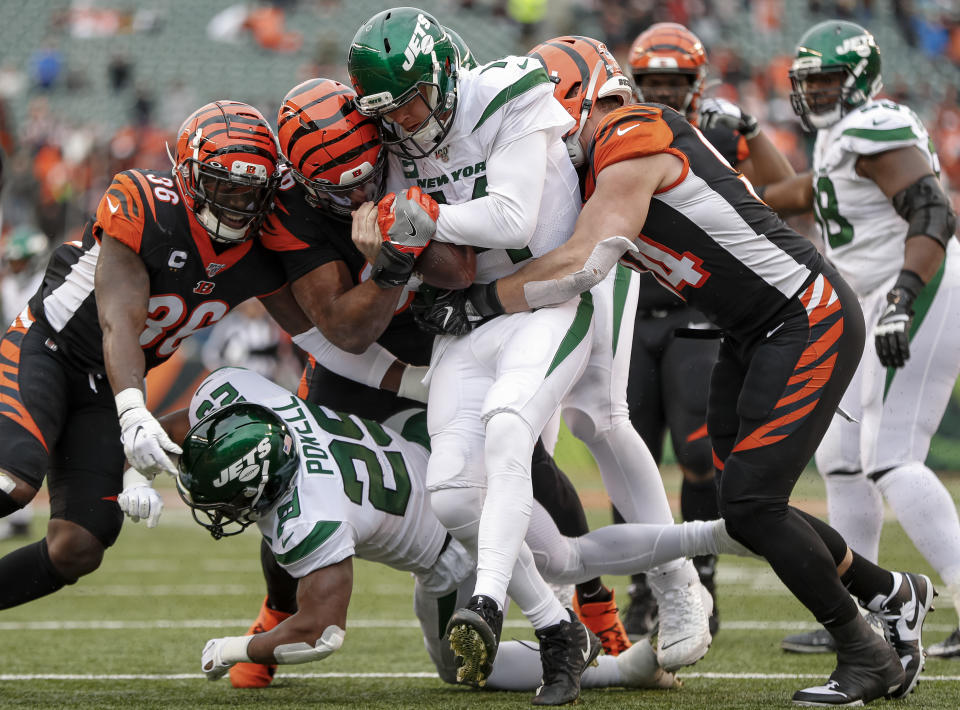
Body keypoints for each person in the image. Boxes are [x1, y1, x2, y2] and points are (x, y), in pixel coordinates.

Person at [404, 35, 936, 706]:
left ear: (578, 99)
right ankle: (890, 592)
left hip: (805, 315)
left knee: (750, 503)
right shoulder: (597, 161)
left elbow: (579, 260)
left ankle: (866, 653)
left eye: (543, 116)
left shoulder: (631, 132)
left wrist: (478, 302)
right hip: (752, 329)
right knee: (743, 508)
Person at [222, 75, 630, 690]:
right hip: (356, 358)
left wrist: (407, 233)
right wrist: (391, 261)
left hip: (445, 332)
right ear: (299, 179)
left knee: (530, 469)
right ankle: (277, 612)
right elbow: (344, 329)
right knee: (290, 474)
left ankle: (598, 612)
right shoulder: (292, 208)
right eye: (337, 185)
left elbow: (458, 270)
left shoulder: (406, 148)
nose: (358, 188)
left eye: (365, 172)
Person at [348, 10, 708, 701]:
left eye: (413, 102)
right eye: (392, 110)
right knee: (513, 454)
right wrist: (409, 245)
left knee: (600, 415)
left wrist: (420, 220)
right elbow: (433, 242)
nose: (406, 120)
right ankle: (562, 606)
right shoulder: (402, 139)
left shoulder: (515, 87)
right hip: (492, 303)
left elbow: (512, 217)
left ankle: (676, 584)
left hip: (574, 266)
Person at [166, 366, 753, 694]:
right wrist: (148, 457)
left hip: (450, 555)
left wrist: (238, 649)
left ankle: (618, 669)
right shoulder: (254, 398)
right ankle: (713, 535)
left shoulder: (308, 517)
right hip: (454, 467)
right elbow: (195, 424)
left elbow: (321, 633)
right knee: (567, 557)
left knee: (464, 668)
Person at [0, 100, 334, 611]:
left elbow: (315, 333)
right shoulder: (145, 202)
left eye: (251, 191)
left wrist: (387, 375)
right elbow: (119, 322)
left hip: (103, 391)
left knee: (79, 546)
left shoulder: (261, 251)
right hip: (48, 349)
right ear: (188, 175)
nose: (237, 204)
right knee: (13, 481)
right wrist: (134, 411)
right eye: (224, 186)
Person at [757, 20, 960, 659]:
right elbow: (779, 196)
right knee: (841, 455)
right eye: (807, 82)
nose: (815, 93)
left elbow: (932, 210)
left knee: (891, 455)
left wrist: (902, 295)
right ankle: (863, 607)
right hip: (871, 300)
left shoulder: (875, 126)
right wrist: (742, 134)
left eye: (827, 81)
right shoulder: (839, 142)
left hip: (916, 286)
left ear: (861, 80)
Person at [619, 21, 798, 638]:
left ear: (699, 84)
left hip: (695, 315)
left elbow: (782, 192)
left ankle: (703, 571)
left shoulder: (716, 131)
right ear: (633, 82)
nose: (665, 91)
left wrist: (746, 130)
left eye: (675, 81)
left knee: (698, 452)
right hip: (631, 314)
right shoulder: (613, 132)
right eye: (653, 81)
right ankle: (644, 582)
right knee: (629, 453)